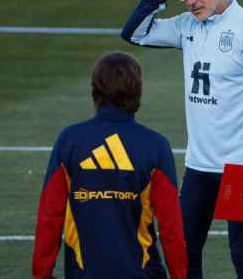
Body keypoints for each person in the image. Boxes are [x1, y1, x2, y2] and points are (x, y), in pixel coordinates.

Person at [120, 0, 243, 278]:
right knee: (184, 253)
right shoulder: (187, 26)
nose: (191, 0)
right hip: (199, 165)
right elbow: (133, 33)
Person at [32, 52, 187, 279]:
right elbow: (171, 227)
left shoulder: (70, 140)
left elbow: (49, 217)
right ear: (137, 90)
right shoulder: (155, 145)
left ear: (95, 89)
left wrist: (42, 274)